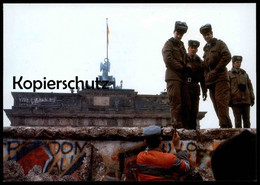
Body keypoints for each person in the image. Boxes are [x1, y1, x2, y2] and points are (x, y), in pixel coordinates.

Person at [199, 24, 232, 128]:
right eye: (205, 35)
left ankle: (225, 128)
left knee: (221, 104)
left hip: (221, 79)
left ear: (212, 34)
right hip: (211, 81)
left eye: (208, 34)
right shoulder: (206, 50)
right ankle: (225, 127)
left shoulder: (219, 44)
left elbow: (227, 56)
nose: (207, 37)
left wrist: (216, 69)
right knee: (216, 106)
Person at [162, 21, 189, 128]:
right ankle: (176, 126)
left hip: (182, 78)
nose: (179, 36)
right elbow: (168, 59)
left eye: (181, 34)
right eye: (178, 33)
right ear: (174, 32)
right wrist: (181, 67)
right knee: (175, 103)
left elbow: (185, 58)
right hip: (173, 77)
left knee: (185, 103)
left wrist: (187, 66)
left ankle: (183, 126)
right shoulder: (169, 44)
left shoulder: (181, 45)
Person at [182, 40, 207, 129]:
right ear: (188, 48)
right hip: (185, 86)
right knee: (186, 110)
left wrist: (204, 91)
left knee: (194, 111)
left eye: (195, 48)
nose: (193, 50)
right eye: (191, 48)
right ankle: (186, 130)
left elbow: (203, 78)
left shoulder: (199, 61)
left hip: (195, 87)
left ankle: (193, 131)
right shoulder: (183, 58)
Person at [228, 55, 255, 128]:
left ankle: (248, 138)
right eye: (237, 62)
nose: (238, 64)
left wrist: (252, 98)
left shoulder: (245, 74)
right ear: (233, 63)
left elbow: (250, 86)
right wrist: (229, 99)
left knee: (247, 121)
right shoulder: (229, 74)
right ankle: (239, 138)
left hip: (246, 100)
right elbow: (227, 88)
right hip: (235, 101)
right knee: (238, 121)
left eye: (239, 62)